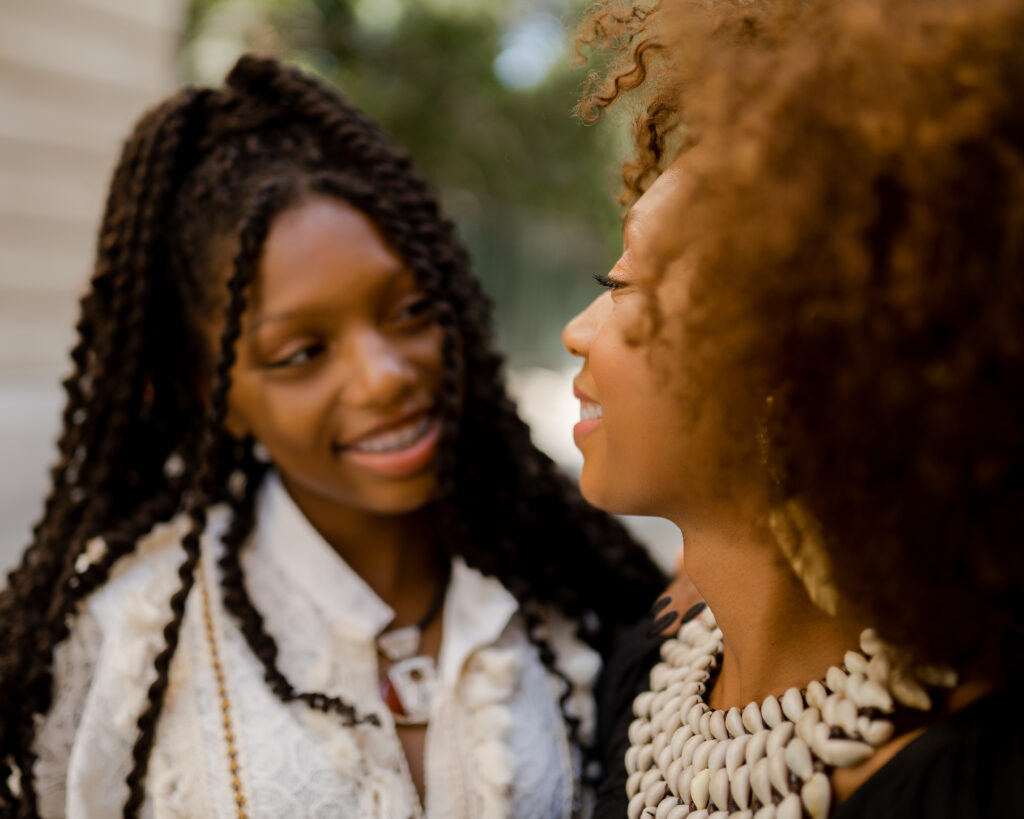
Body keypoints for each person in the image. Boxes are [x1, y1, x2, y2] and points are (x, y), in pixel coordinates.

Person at [0, 54, 666, 818]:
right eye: (302, 354)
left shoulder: (571, 583)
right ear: (213, 397)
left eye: (410, 310)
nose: (383, 375)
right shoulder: (121, 635)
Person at [566, 0, 1024, 816]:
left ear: (790, 369)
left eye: (623, 286)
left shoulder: (971, 780)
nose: (577, 331)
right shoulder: (648, 672)